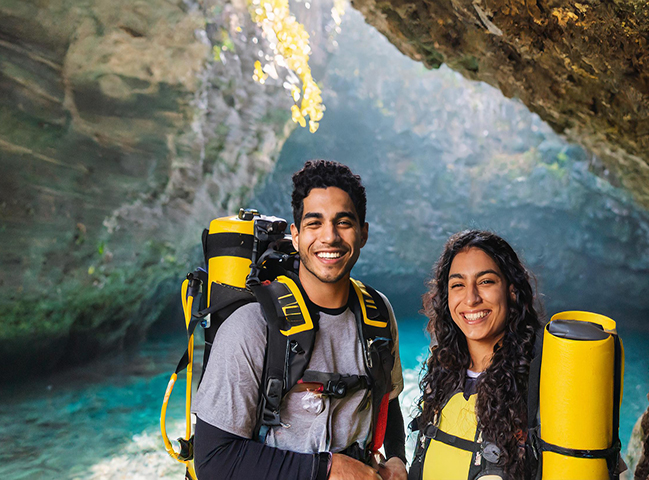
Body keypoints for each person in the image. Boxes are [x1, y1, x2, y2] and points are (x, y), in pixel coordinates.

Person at [191, 160, 407, 480]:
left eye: (343, 222)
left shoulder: (376, 312)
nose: (329, 237)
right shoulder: (253, 326)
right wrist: (329, 469)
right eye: (314, 223)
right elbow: (213, 459)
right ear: (296, 235)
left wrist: (398, 458)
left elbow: (387, 400)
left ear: (363, 233)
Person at [409, 230, 542, 480]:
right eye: (458, 285)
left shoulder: (539, 381)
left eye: (486, 281)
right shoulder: (442, 376)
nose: (471, 299)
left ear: (512, 291)